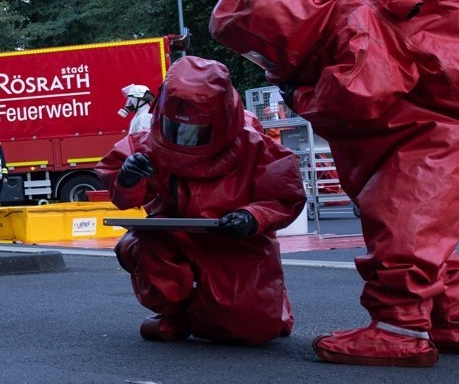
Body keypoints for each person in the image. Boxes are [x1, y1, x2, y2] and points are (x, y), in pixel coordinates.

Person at [210, 0, 459, 367]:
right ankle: (455, 321)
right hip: (424, 132)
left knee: (402, 227)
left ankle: (399, 331)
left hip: (430, 138)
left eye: (261, 50)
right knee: (425, 234)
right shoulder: (341, 14)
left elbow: (359, 95)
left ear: (279, 31)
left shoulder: (352, 25)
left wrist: (298, 94)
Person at [97, 56, 306, 346]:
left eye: (195, 132)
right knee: (144, 245)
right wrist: (128, 178)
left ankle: (263, 306)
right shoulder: (147, 143)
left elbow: (284, 196)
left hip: (234, 242)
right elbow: (122, 195)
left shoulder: (254, 143)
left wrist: (251, 218)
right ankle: (173, 314)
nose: (184, 140)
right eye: (175, 128)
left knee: (252, 330)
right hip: (173, 238)